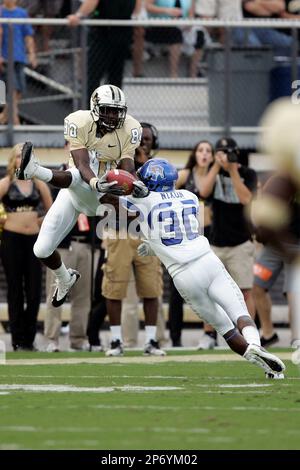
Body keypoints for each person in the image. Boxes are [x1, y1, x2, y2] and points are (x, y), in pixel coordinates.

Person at [120, 158, 285, 378]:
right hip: (208, 261)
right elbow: (182, 232)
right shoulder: (189, 197)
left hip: (184, 275)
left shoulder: (142, 201)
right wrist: (153, 245)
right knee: (240, 313)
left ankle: (256, 358)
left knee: (223, 327)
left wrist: (123, 188)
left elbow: (118, 196)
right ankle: (256, 344)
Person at [16, 84, 147, 310]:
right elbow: (82, 163)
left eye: (117, 111)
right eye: (107, 109)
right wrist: (95, 182)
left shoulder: (131, 128)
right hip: (77, 189)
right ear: (95, 108)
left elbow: (127, 166)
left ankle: (35, 171)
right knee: (41, 249)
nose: (113, 116)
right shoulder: (79, 121)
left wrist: (135, 184)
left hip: (103, 197)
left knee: (78, 176)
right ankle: (65, 278)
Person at [102, 122, 166, 356]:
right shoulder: (118, 164)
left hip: (147, 233)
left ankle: (151, 341)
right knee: (114, 288)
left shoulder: (158, 169)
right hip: (118, 230)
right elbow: (105, 196)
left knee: (151, 289)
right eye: (140, 139)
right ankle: (116, 341)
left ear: (154, 143)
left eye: (147, 140)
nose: (143, 144)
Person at [251, 99, 300, 353]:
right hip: (279, 243)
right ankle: (268, 333)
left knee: (295, 290)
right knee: (258, 283)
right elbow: (266, 218)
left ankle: (297, 337)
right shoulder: (282, 179)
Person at [198, 137, 257, 349]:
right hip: (216, 242)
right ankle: (209, 335)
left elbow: (246, 199)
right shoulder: (213, 172)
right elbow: (203, 192)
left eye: (227, 152)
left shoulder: (247, 173)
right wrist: (215, 165)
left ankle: (251, 335)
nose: (223, 156)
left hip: (240, 241)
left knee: (245, 291)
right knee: (209, 290)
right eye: (220, 152)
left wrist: (232, 170)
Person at [0, 143, 52, 351]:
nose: (23, 159)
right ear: (14, 160)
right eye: (20, 156)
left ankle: (29, 339)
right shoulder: (5, 183)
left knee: (33, 291)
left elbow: (52, 209)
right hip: (11, 240)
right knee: (15, 290)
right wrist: (3, 220)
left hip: (34, 241)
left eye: (26, 156)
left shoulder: (38, 184)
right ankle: (17, 340)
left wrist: (38, 223)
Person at [169, 140, 214, 346]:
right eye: (200, 150)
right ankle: (175, 338)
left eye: (208, 151)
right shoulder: (185, 175)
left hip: (210, 235)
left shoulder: (216, 176)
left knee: (208, 287)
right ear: (194, 154)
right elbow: (167, 195)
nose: (204, 154)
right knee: (178, 288)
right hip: (185, 236)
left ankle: (211, 335)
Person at [67, 0, 137, 97]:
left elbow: (92, 2)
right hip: (120, 32)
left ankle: (93, 108)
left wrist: (78, 15)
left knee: (95, 77)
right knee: (114, 78)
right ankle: (110, 108)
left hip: (105, 33)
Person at [0, 0, 37, 124]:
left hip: (19, 57)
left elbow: (28, 35)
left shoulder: (22, 13)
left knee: (18, 91)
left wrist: (32, 54)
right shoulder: (0, 12)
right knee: (13, 90)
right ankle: (16, 126)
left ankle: (3, 118)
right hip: (6, 58)